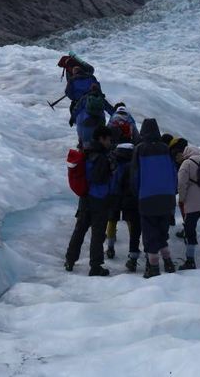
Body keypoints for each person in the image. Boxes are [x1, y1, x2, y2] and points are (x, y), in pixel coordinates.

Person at [64, 126, 114, 276]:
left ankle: (70, 260)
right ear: (102, 138)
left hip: (85, 198)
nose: (110, 142)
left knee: (80, 230)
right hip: (98, 199)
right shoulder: (100, 156)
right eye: (109, 139)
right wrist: (110, 169)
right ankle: (95, 266)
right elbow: (99, 178)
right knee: (97, 233)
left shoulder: (86, 151)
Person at [132, 118, 178, 278]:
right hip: (167, 198)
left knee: (150, 234)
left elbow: (135, 176)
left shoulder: (139, 149)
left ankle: (153, 267)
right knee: (162, 233)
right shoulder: (165, 149)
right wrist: (173, 192)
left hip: (147, 197)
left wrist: (137, 193)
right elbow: (173, 172)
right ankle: (168, 262)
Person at [105, 143, 143, 271]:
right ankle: (133, 249)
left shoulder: (113, 161)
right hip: (128, 196)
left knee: (111, 220)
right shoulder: (133, 164)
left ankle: (110, 247)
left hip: (113, 195)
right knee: (131, 222)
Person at [72, 84, 115, 149]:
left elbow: (76, 109)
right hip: (100, 122)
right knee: (100, 143)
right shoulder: (101, 99)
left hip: (87, 122)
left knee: (86, 144)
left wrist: (72, 118)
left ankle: (85, 154)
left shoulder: (85, 98)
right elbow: (111, 110)